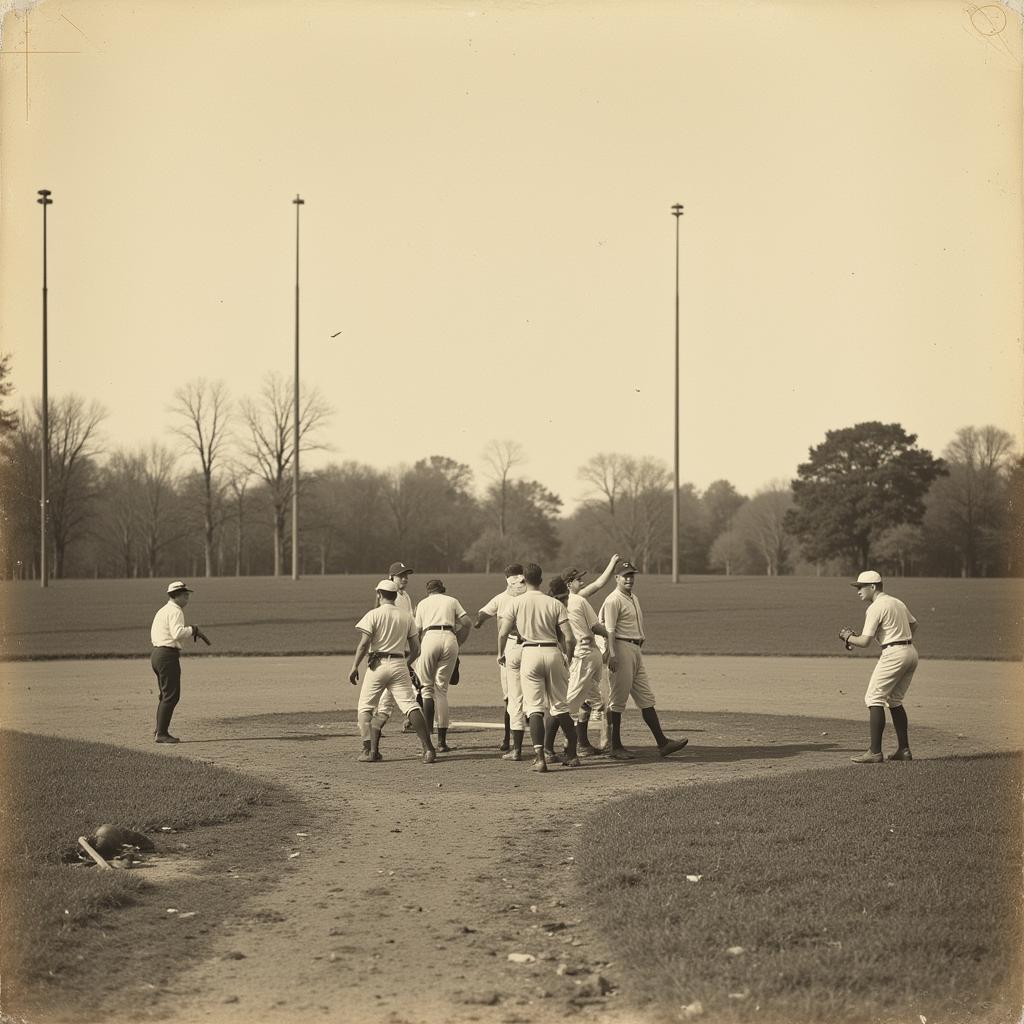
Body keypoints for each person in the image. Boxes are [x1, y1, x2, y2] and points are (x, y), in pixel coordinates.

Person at [598, 559, 689, 760]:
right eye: (625, 576)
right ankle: (615, 746)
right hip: (620, 649)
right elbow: (609, 631)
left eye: (631, 575)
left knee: (646, 697)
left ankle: (662, 743)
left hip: (634, 650)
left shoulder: (633, 598)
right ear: (616, 578)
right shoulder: (614, 600)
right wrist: (612, 654)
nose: (629, 579)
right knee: (617, 700)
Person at [497, 563, 577, 773]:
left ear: (524, 579)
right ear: (541, 580)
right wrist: (567, 657)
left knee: (534, 709)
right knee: (560, 706)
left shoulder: (515, 603)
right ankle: (574, 755)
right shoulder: (554, 603)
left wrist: (501, 653)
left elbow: (503, 633)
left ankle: (540, 758)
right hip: (552, 651)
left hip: (529, 653)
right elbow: (570, 638)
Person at [349, 579, 435, 765]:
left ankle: (369, 750)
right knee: (410, 705)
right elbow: (416, 649)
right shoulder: (406, 616)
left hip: (377, 665)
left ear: (379, 594)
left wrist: (355, 666)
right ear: (396, 596)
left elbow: (364, 643)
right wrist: (406, 663)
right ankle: (428, 749)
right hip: (398, 663)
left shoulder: (373, 614)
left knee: (365, 706)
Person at [839, 570, 918, 763]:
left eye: (860, 587)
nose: (858, 591)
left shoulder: (875, 607)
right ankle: (904, 750)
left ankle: (874, 752)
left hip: (893, 655)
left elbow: (864, 641)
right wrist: (897, 638)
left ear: (872, 587)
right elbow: (914, 625)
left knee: (874, 698)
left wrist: (848, 637)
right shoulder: (896, 602)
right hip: (910, 652)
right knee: (895, 700)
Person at [561, 555, 619, 755]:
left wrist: (611, 564)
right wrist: (612, 636)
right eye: (578, 579)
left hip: (577, 655)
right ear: (569, 584)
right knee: (568, 705)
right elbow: (595, 627)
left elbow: (599, 583)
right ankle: (551, 745)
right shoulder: (572, 601)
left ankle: (583, 745)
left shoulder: (568, 600)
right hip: (580, 656)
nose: (582, 581)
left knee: (590, 703)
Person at [473, 563, 527, 757]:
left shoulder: (501, 598)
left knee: (510, 697)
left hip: (510, 647)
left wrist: (478, 623)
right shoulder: (529, 596)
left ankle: (509, 741)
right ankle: (521, 740)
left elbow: (482, 614)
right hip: (531, 647)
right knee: (533, 695)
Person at [414, 578, 472, 752]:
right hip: (449, 638)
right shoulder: (452, 601)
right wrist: (458, 640)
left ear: (428, 591)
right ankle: (441, 742)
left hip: (429, 638)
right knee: (442, 691)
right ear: (442, 589)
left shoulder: (422, 604)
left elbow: (416, 631)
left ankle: (428, 740)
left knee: (426, 689)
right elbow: (467, 623)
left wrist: (417, 652)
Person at [149, 581, 210, 743]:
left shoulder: (163, 610)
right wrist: (193, 630)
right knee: (171, 696)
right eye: (185, 594)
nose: (187, 597)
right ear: (177, 596)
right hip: (167, 655)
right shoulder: (176, 611)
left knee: (165, 695)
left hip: (156, 654)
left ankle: (158, 730)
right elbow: (176, 633)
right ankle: (161, 734)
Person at [375, 561, 417, 740]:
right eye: (401, 576)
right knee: (398, 687)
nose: (405, 579)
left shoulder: (405, 595)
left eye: (406, 575)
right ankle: (375, 723)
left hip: (404, 648)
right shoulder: (391, 597)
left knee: (399, 687)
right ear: (391, 577)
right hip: (393, 649)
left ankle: (379, 722)